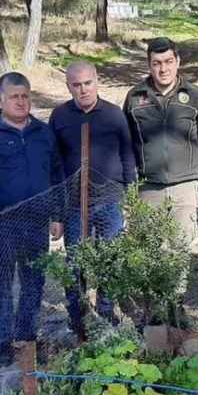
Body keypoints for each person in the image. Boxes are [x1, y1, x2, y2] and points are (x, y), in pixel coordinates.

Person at [0, 73, 64, 367]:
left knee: (34, 283)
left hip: (37, 223)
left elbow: (56, 174)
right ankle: (3, 342)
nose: (20, 102)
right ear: (1, 100)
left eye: (25, 96)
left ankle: (26, 337)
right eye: (14, 97)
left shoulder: (44, 133)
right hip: (1, 226)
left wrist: (57, 215)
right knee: (2, 285)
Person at [123, 37, 198, 326]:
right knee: (149, 250)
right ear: (149, 64)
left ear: (178, 62)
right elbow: (127, 145)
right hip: (148, 187)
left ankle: (176, 307)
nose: (163, 69)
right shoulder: (135, 97)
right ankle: (153, 309)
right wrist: (131, 187)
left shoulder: (194, 95)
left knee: (179, 249)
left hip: (186, 185)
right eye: (156, 63)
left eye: (168, 62)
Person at [49, 61, 135, 331]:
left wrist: (130, 195)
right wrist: (57, 211)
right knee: (76, 260)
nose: (83, 89)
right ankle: (77, 312)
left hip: (110, 199)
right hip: (75, 203)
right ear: (68, 87)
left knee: (110, 256)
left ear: (97, 82)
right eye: (77, 84)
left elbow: (127, 154)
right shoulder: (60, 117)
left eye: (88, 83)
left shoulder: (113, 115)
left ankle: (106, 306)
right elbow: (54, 163)